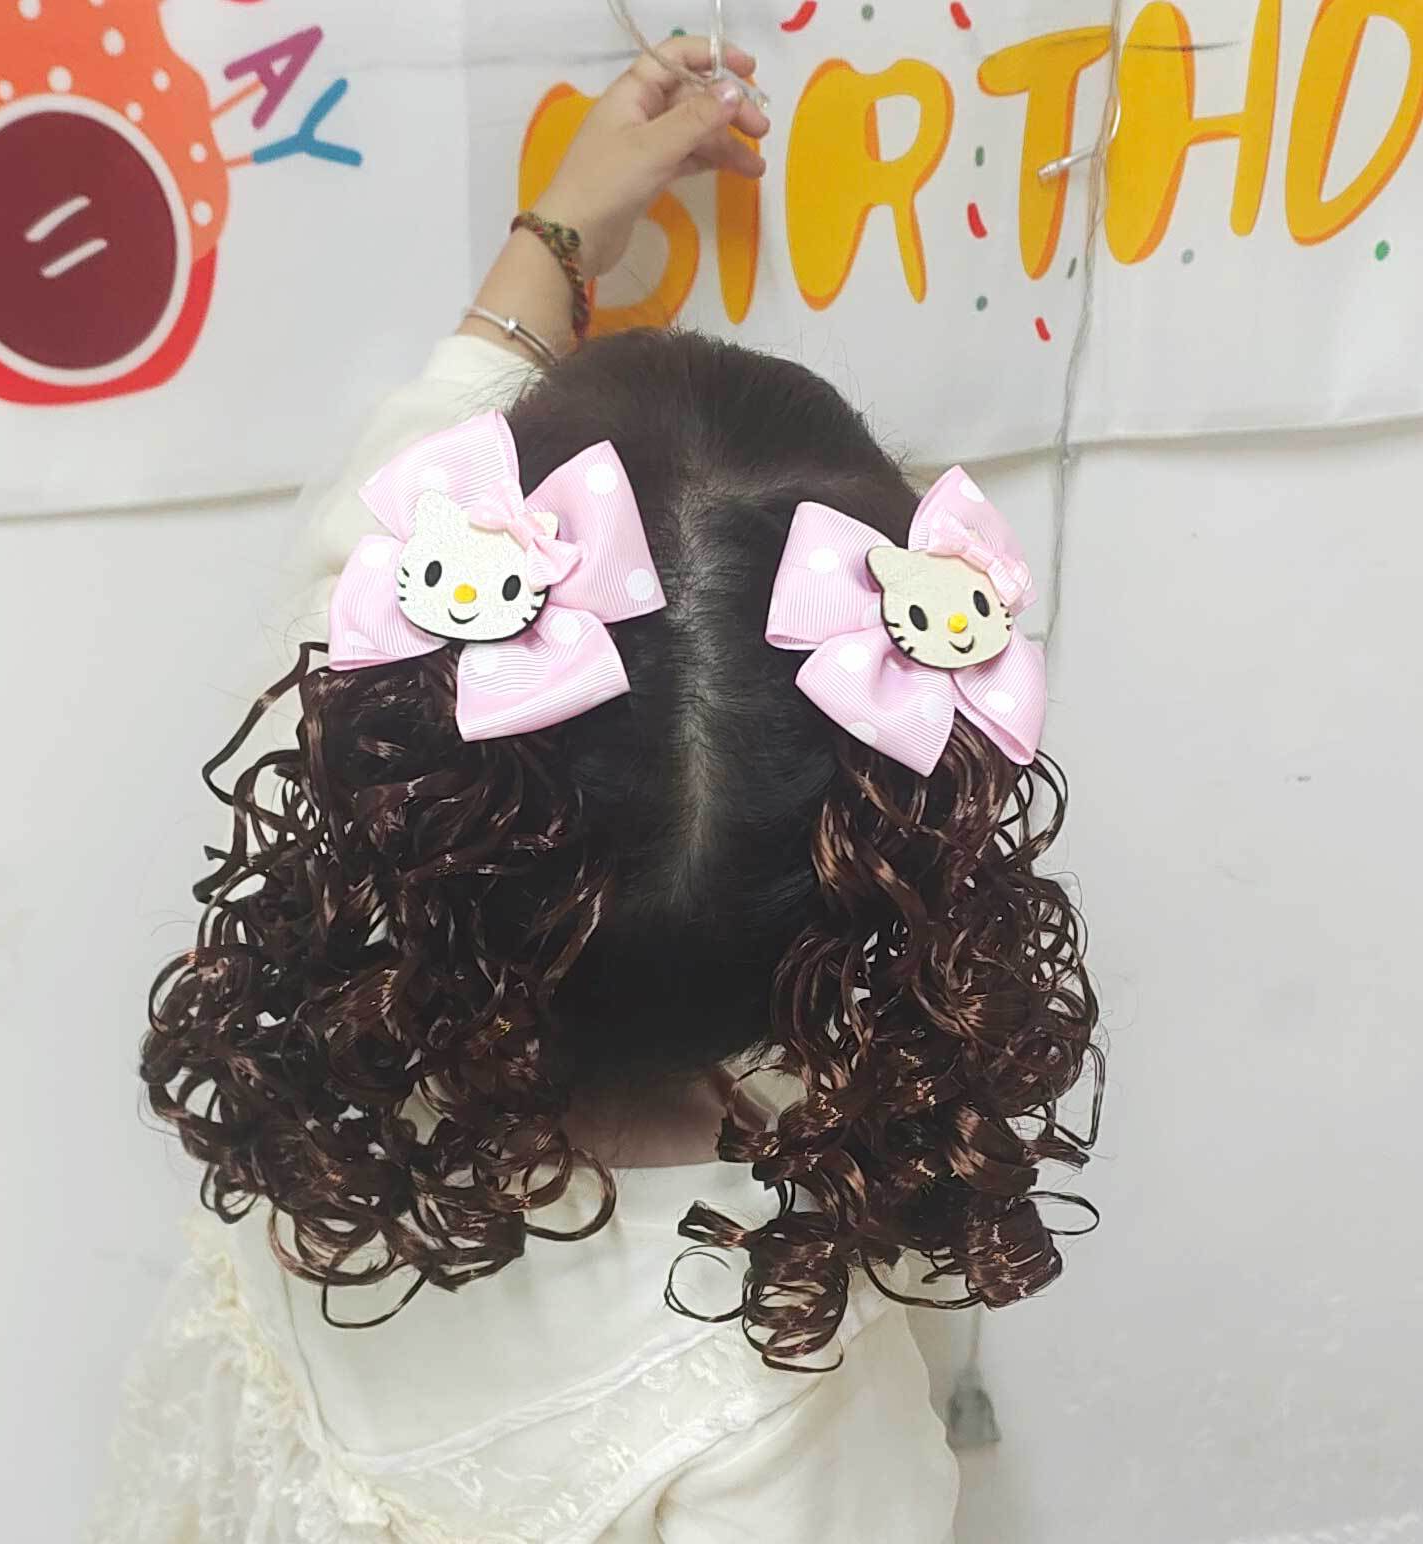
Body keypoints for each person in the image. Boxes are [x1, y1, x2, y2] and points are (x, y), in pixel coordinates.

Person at [90, 36, 1100, 1543]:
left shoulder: (335, 1055)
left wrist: (554, 239)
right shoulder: (775, 1395)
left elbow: (392, 499)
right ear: (882, 852)